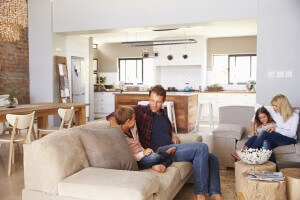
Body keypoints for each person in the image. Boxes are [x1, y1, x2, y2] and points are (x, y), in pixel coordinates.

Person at [107, 85, 221, 200]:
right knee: (202, 148)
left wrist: (172, 134)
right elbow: (117, 114)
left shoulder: (164, 113)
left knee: (213, 157)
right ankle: (199, 194)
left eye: (158, 102)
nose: (154, 104)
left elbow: (163, 129)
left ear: (163, 101)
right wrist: (113, 122)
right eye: (152, 100)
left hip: (173, 147)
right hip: (160, 150)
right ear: (148, 98)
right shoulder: (140, 111)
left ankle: (216, 193)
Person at [115, 106, 176, 173]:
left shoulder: (132, 129)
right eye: (134, 119)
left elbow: (138, 144)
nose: (135, 121)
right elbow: (128, 155)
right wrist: (143, 154)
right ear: (128, 121)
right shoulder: (119, 136)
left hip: (143, 156)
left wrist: (145, 150)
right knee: (156, 157)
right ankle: (165, 154)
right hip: (136, 161)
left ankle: (159, 165)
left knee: (171, 157)